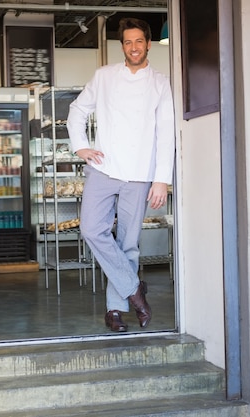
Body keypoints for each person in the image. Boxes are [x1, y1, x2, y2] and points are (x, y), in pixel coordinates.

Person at [66, 17, 176, 332]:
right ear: (122, 46)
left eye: (138, 41)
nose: (133, 47)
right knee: (91, 229)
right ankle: (134, 290)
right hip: (103, 167)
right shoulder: (104, 77)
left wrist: (161, 179)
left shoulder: (160, 82)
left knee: (128, 243)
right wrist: (80, 147)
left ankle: (116, 310)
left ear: (148, 44)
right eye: (128, 42)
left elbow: (165, 134)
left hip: (141, 173)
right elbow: (78, 110)